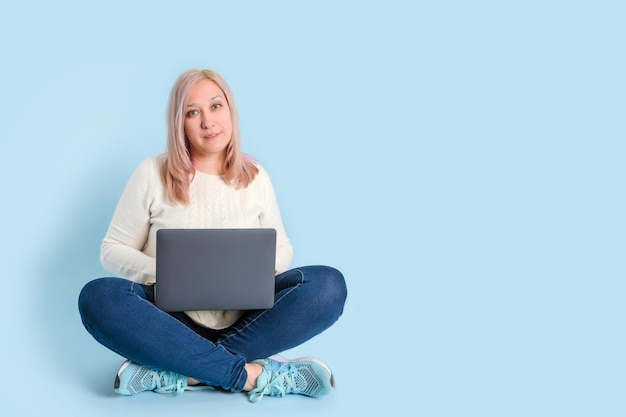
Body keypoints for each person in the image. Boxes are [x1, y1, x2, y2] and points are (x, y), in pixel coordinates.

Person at [78, 68, 347, 402]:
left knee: (328, 286)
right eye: (193, 112)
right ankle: (253, 375)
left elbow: (283, 248)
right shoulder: (151, 173)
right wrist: (169, 275)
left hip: (248, 321)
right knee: (98, 298)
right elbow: (112, 249)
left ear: (230, 111)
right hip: (170, 322)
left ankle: (180, 369)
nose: (208, 121)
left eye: (216, 106)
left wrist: (255, 272)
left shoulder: (256, 177)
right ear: (180, 123)